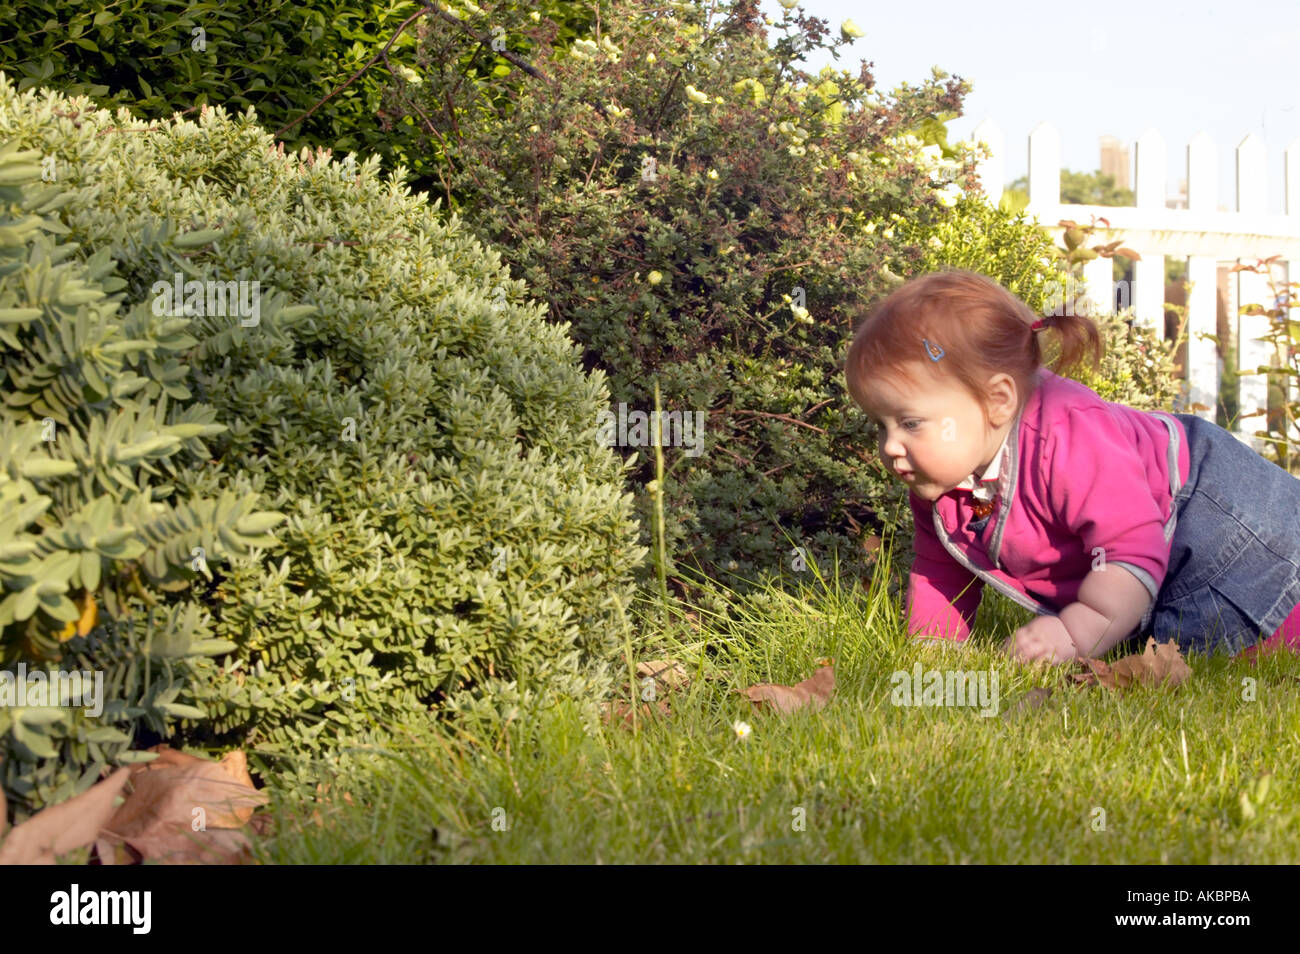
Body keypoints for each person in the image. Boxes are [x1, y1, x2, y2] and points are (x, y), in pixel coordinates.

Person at [843, 268, 1300, 664]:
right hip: (1161, 544)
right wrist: (933, 652)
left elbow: (1128, 551)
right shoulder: (940, 480)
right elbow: (941, 569)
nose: (892, 446)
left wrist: (1075, 632)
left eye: (910, 423)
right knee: (1154, 654)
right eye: (881, 426)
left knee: (1223, 641)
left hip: (1222, 523)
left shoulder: (1069, 438)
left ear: (996, 400)